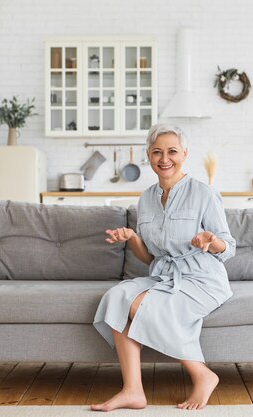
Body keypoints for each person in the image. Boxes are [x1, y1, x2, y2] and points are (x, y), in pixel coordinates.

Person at [92, 124, 236, 411]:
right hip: (163, 276)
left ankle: (202, 374)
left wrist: (212, 240)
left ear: (184, 154)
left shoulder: (203, 193)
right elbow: (148, 258)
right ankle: (132, 390)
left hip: (202, 278)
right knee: (116, 297)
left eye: (172, 151)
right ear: (148, 156)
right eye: (157, 152)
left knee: (140, 305)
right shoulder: (146, 198)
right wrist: (131, 237)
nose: (164, 158)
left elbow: (229, 248)